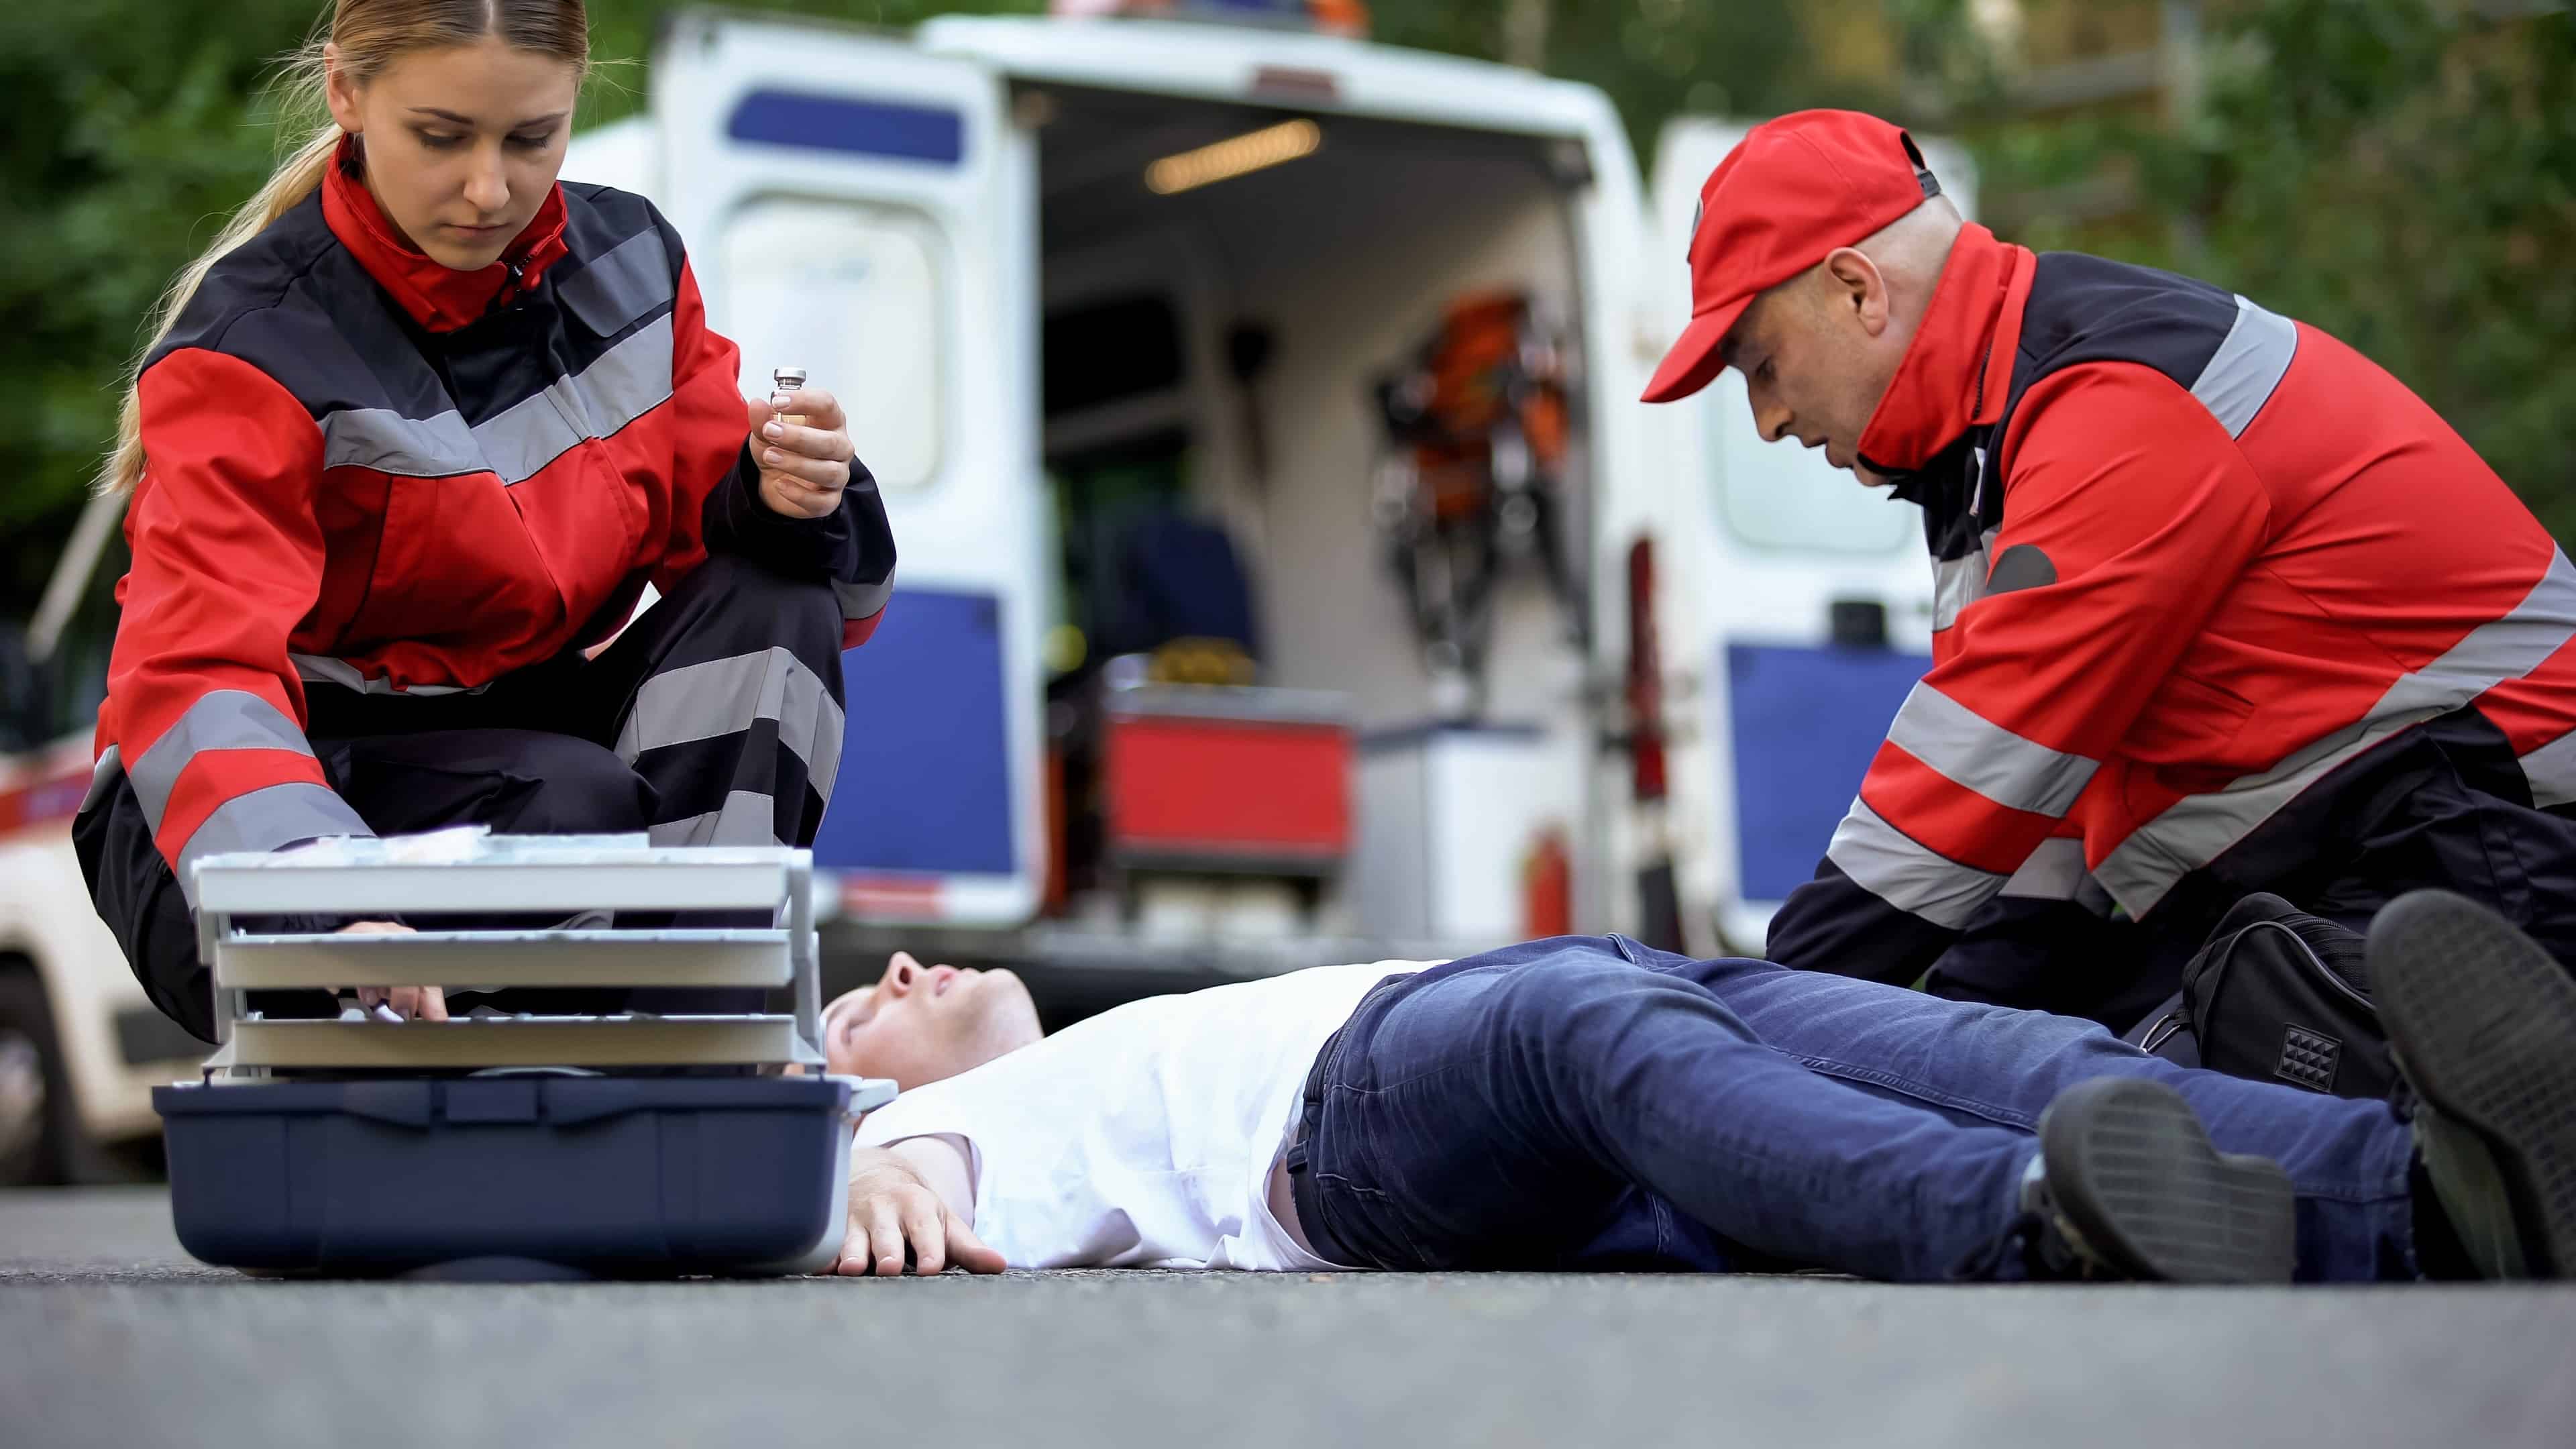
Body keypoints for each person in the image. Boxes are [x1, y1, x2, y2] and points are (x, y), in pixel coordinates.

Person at [1639, 110, 2576, 1030]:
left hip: (2492, 836)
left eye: (1761, 366)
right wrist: (1945, 1043)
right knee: (2069, 1101)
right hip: (2374, 847)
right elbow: (2038, 830)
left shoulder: (2114, 397)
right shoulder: (1987, 456)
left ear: (1857, 290)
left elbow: (1974, 775)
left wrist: (1748, 1031)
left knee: (2236, 1118)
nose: (1767, 420)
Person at [70, 0, 896, 1041]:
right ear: (346, 94)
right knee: (571, 812)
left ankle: (703, 1017)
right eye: (442, 136)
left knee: (777, 595)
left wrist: (803, 495)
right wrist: (324, 898)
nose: (487, 189)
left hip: (523, 755)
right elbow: (193, 678)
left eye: (531, 138)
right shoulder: (247, 350)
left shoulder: (633, 265)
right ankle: (628, 1059)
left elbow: (841, 607)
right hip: (220, 825)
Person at [815, 892, 2576, 1285]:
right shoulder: (921, 1132)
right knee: (1590, 1029)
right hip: (1361, 1122)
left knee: (2003, 1053)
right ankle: (2040, 1232)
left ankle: (2425, 1190)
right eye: (855, 1011)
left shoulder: (1101, 1032)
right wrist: (873, 1188)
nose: (899, 975)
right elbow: (906, 1195)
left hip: (1500, 1003)